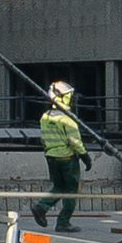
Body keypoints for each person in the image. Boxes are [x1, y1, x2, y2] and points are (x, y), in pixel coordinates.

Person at [37, 79, 87, 232]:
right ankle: (63, 222)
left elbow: (43, 139)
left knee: (59, 186)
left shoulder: (45, 117)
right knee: (71, 191)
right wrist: (85, 156)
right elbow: (74, 141)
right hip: (67, 159)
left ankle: (41, 207)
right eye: (69, 96)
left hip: (51, 157)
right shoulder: (67, 119)